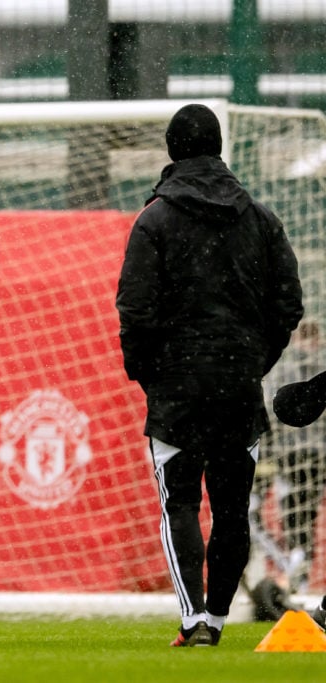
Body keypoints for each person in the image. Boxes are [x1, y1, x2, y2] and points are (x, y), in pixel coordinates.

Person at [116, 103, 304, 647]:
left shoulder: (155, 218)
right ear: (218, 147)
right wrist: (252, 361)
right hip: (238, 387)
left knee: (180, 504)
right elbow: (288, 305)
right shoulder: (261, 218)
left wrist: (149, 375)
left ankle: (194, 619)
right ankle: (218, 620)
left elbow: (135, 309)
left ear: (173, 150)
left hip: (176, 388)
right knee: (231, 512)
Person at [261, 320, 326, 593]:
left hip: (292, 455)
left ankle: (293, 575)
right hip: (318, 455)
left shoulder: (284, 369)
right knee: (304, 516)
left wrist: (268, 454)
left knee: (294, 517)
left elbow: (271, 413)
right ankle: (296, 574)